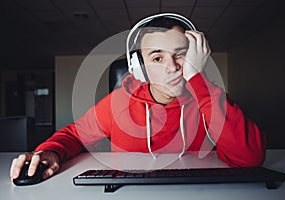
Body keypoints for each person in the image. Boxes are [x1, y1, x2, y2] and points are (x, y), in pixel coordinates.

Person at [10, 13, 266, 182]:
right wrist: (51, 152)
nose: (173, 66)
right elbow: (75, 134)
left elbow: (249, 159)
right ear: (139, 67)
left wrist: (200, 83)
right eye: (157, 58)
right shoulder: (118, 103)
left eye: (181, 54)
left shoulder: (211, 101)